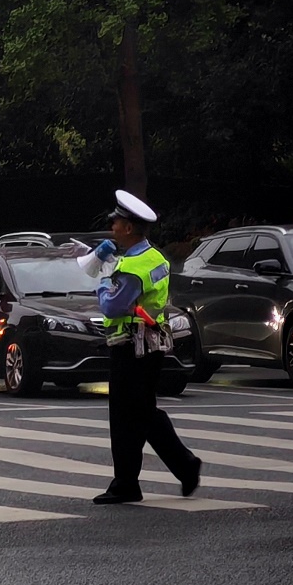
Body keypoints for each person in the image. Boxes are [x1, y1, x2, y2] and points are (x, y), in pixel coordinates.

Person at [87, 190, 202, 504]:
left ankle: (136, 480)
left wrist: (102, 279)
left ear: (128, 228)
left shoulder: (133, 267)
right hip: (149, 344)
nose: (112, 227)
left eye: (116, 223)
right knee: (140, 412)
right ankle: (156, 474)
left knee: (127, 415)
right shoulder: (154, 257)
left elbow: (112, 306)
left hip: (131, 345)